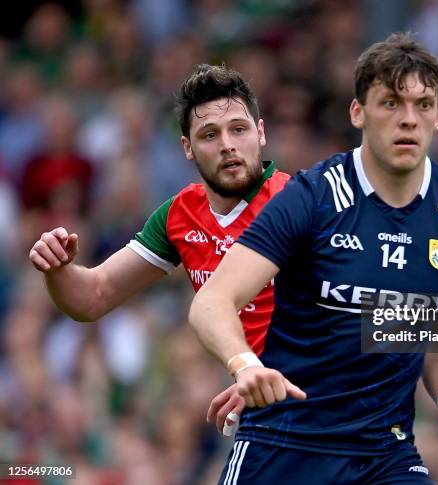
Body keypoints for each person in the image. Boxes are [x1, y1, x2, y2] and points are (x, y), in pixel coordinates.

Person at [189, 33, 438, 484]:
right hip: (284, 443)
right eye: (390, 103)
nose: (409, 119)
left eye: (423, 104)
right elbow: (211, 303)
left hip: (384, 453)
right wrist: (246, 365)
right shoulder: (312, 198)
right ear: (358, 112)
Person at [28, 64, 289, 434]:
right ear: (188, 148)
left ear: (260, 133)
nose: (228, 144)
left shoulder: (300, 202)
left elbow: (379, 305)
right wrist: (57, 270)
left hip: (326, 404)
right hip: (264, 407)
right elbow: (93, 297)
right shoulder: (179, 215)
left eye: (239, 129)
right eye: (210, 134)